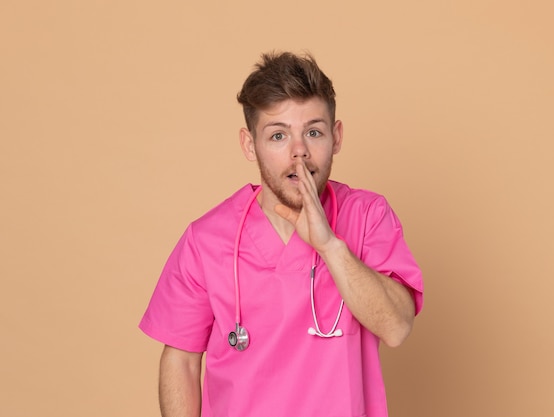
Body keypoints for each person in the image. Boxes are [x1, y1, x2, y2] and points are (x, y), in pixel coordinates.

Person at [139, 51, 423, 417]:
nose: (299, 152)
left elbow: (397, 328)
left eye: (314, 132)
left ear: (336, 137)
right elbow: (181, 361)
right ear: (249, 144)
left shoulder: (367, 216)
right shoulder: (205, 240)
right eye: (278, 136)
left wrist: (329, 246)